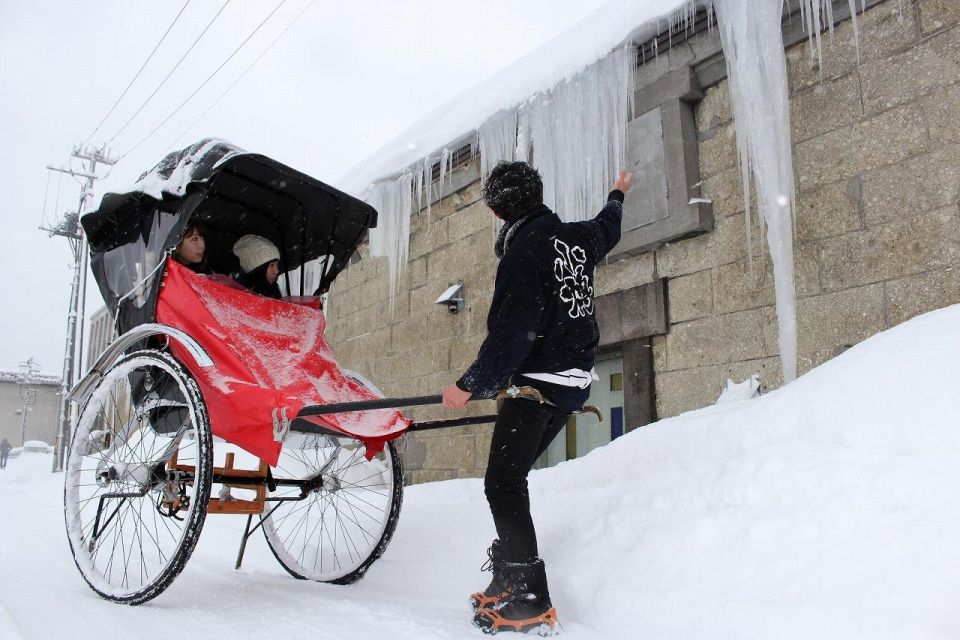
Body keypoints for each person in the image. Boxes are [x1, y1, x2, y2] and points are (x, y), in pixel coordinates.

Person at [442, 161, 633, 635]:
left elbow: (513, 332)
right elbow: (608, 228)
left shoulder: (524, 251)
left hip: (539, 385)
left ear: (495, 207)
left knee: (502, 484)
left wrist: (470, 384)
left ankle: (529, 597)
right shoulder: (573, 237)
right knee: (512, 476)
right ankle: (509, 576)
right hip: (574, 382)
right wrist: (617, 194)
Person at [233, 234, 282, 299]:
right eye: (271, 265)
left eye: (277, 265)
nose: (276, 271)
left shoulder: (273, 292)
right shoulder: (240, 297)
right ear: (258, 269)